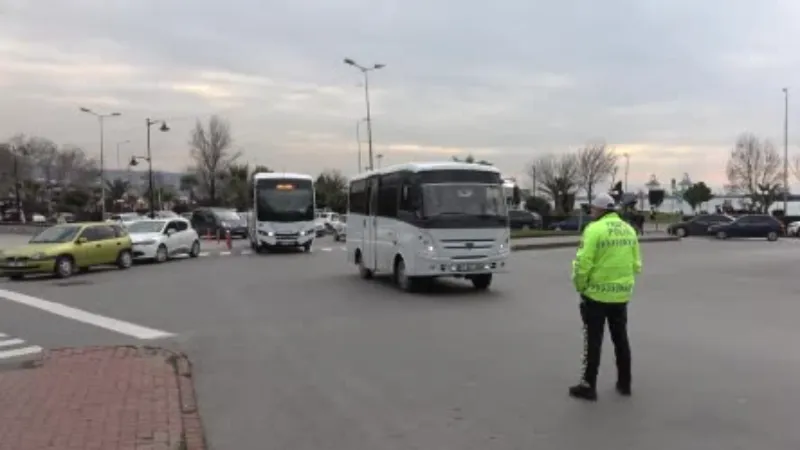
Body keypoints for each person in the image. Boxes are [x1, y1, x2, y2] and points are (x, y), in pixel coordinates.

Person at [569, 193, 642, 401]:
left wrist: (580, 287)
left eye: (592, 209)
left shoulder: (594, 230)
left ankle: (588, 385)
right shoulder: (629, 230)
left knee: (593, 341)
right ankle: (625, 383)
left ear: (600, 210)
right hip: (621, 295)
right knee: (621, 339)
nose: (591, 212)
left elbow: (583, 263)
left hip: (596, 295)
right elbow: (637, 264)